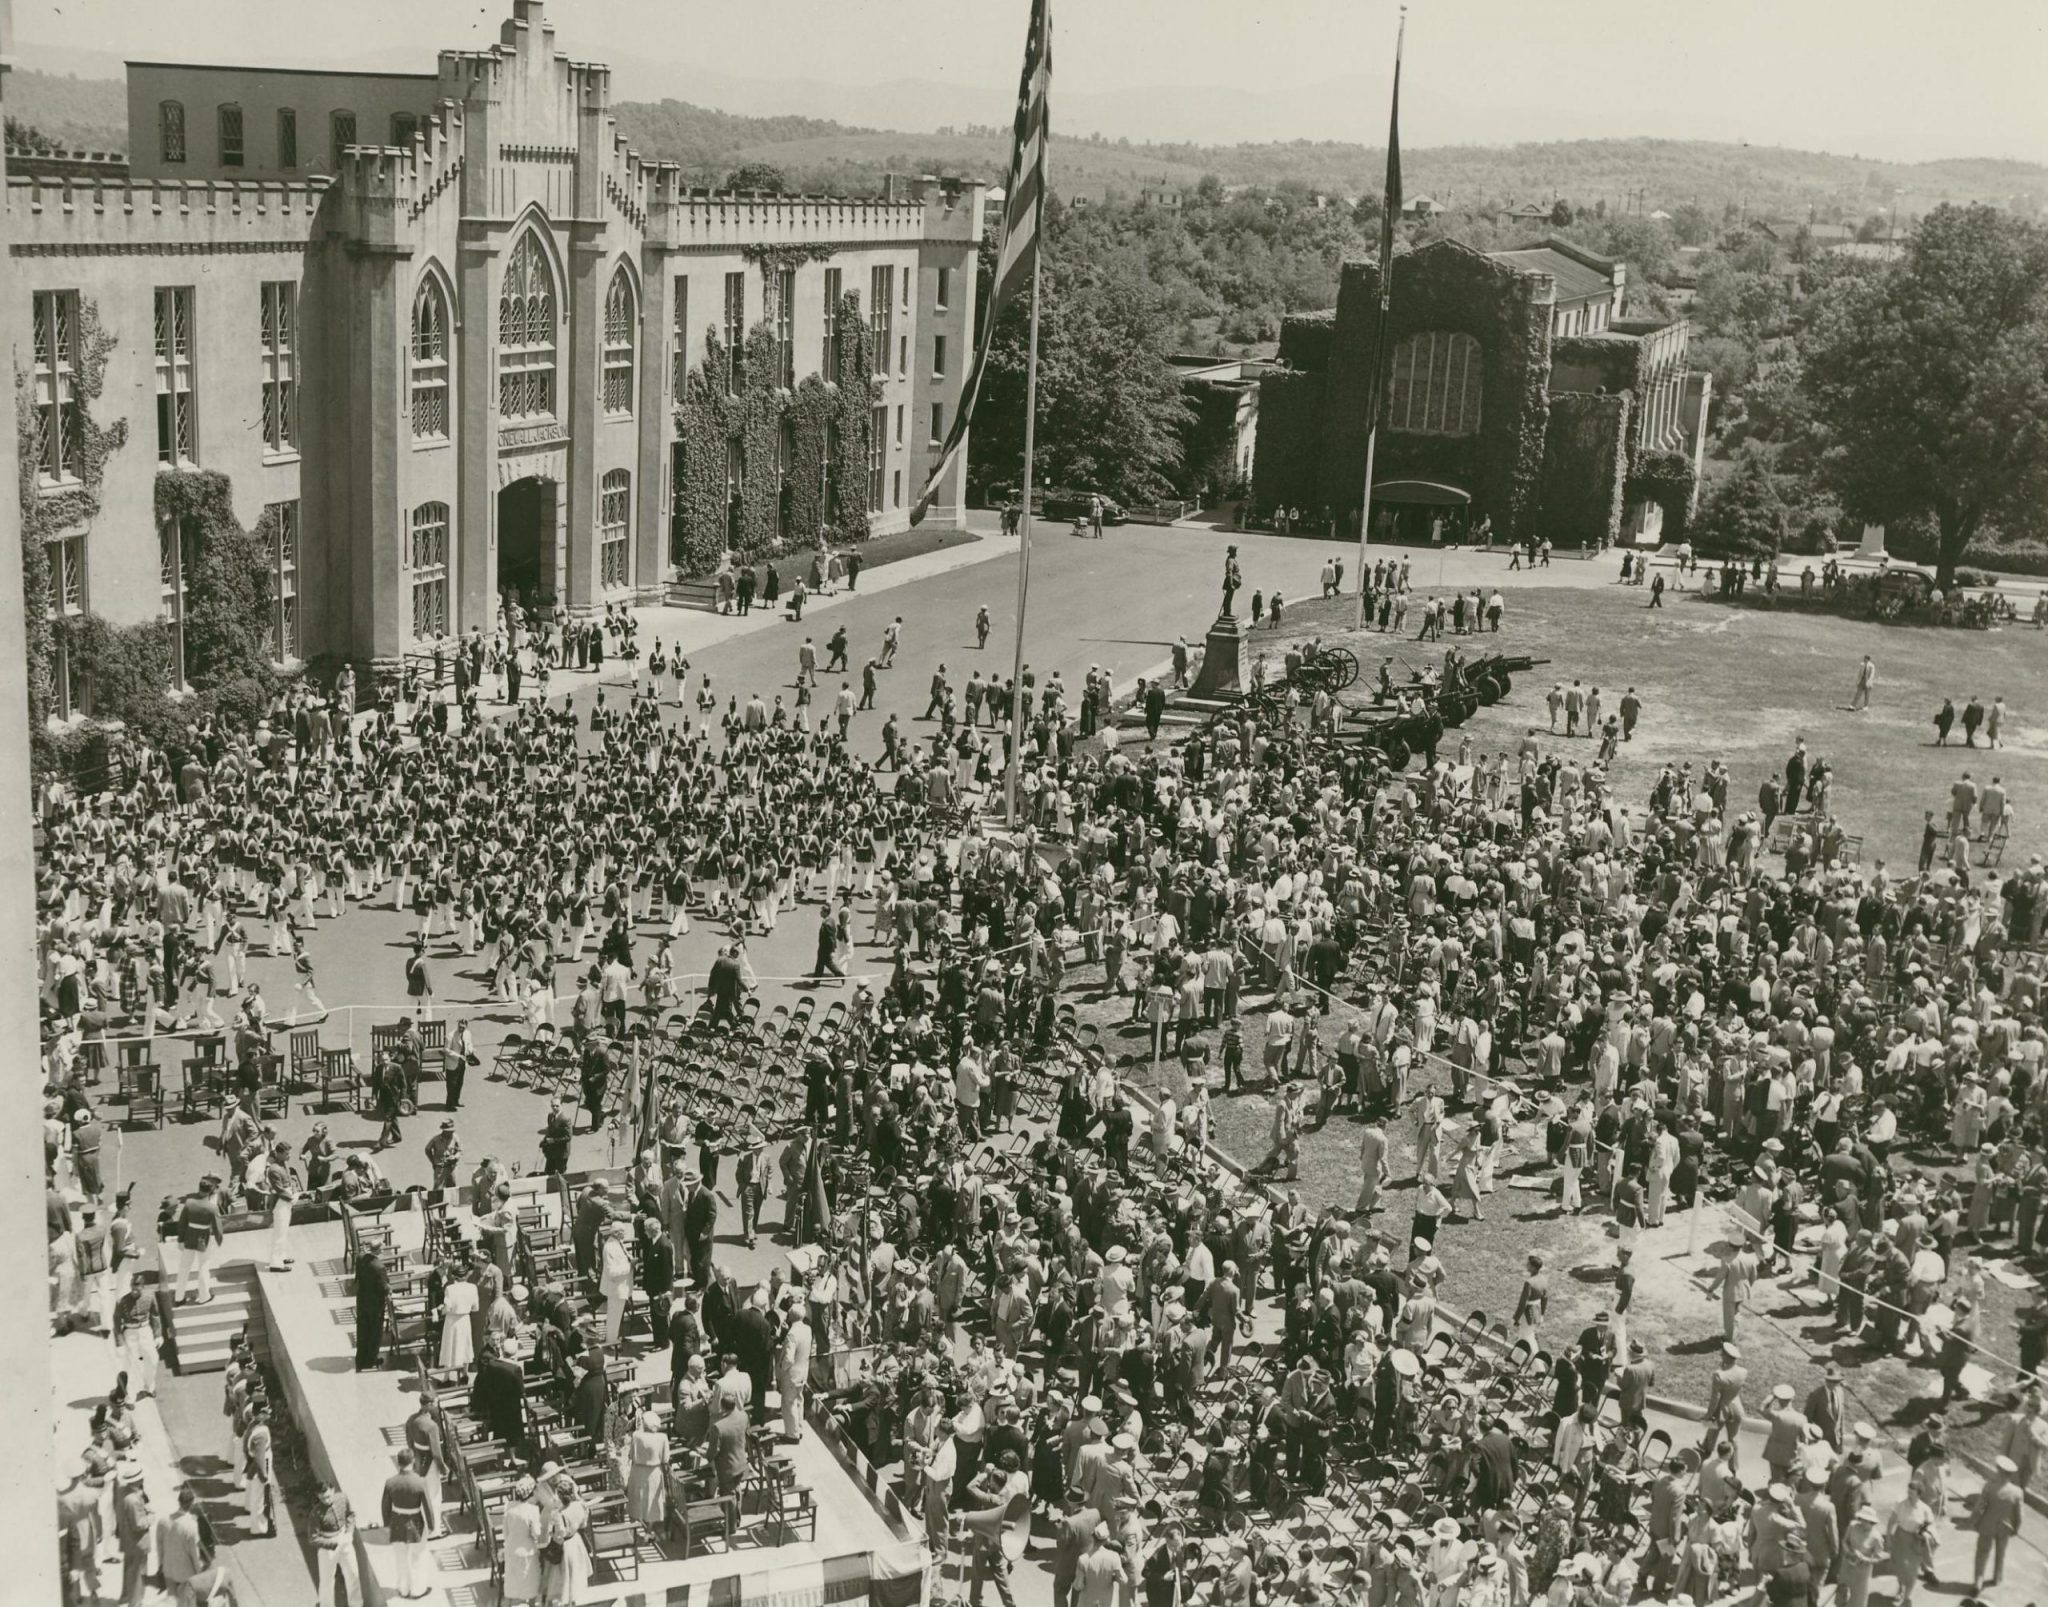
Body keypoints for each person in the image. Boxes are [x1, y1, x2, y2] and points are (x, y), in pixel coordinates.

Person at [312, 1479, 362, 1607]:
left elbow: (350, 1515)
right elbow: (313, 1538)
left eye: (328, 1496)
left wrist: (349, 1533)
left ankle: (356, 1604)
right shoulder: (315, 1513)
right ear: (318, 1496)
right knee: (327, 1581)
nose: (327, 1500)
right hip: (327, 1546)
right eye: (323, 1498)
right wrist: (332, 1544)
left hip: (345, 1539)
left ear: (333, 1491)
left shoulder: (343, 1498)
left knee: (353, 1575)